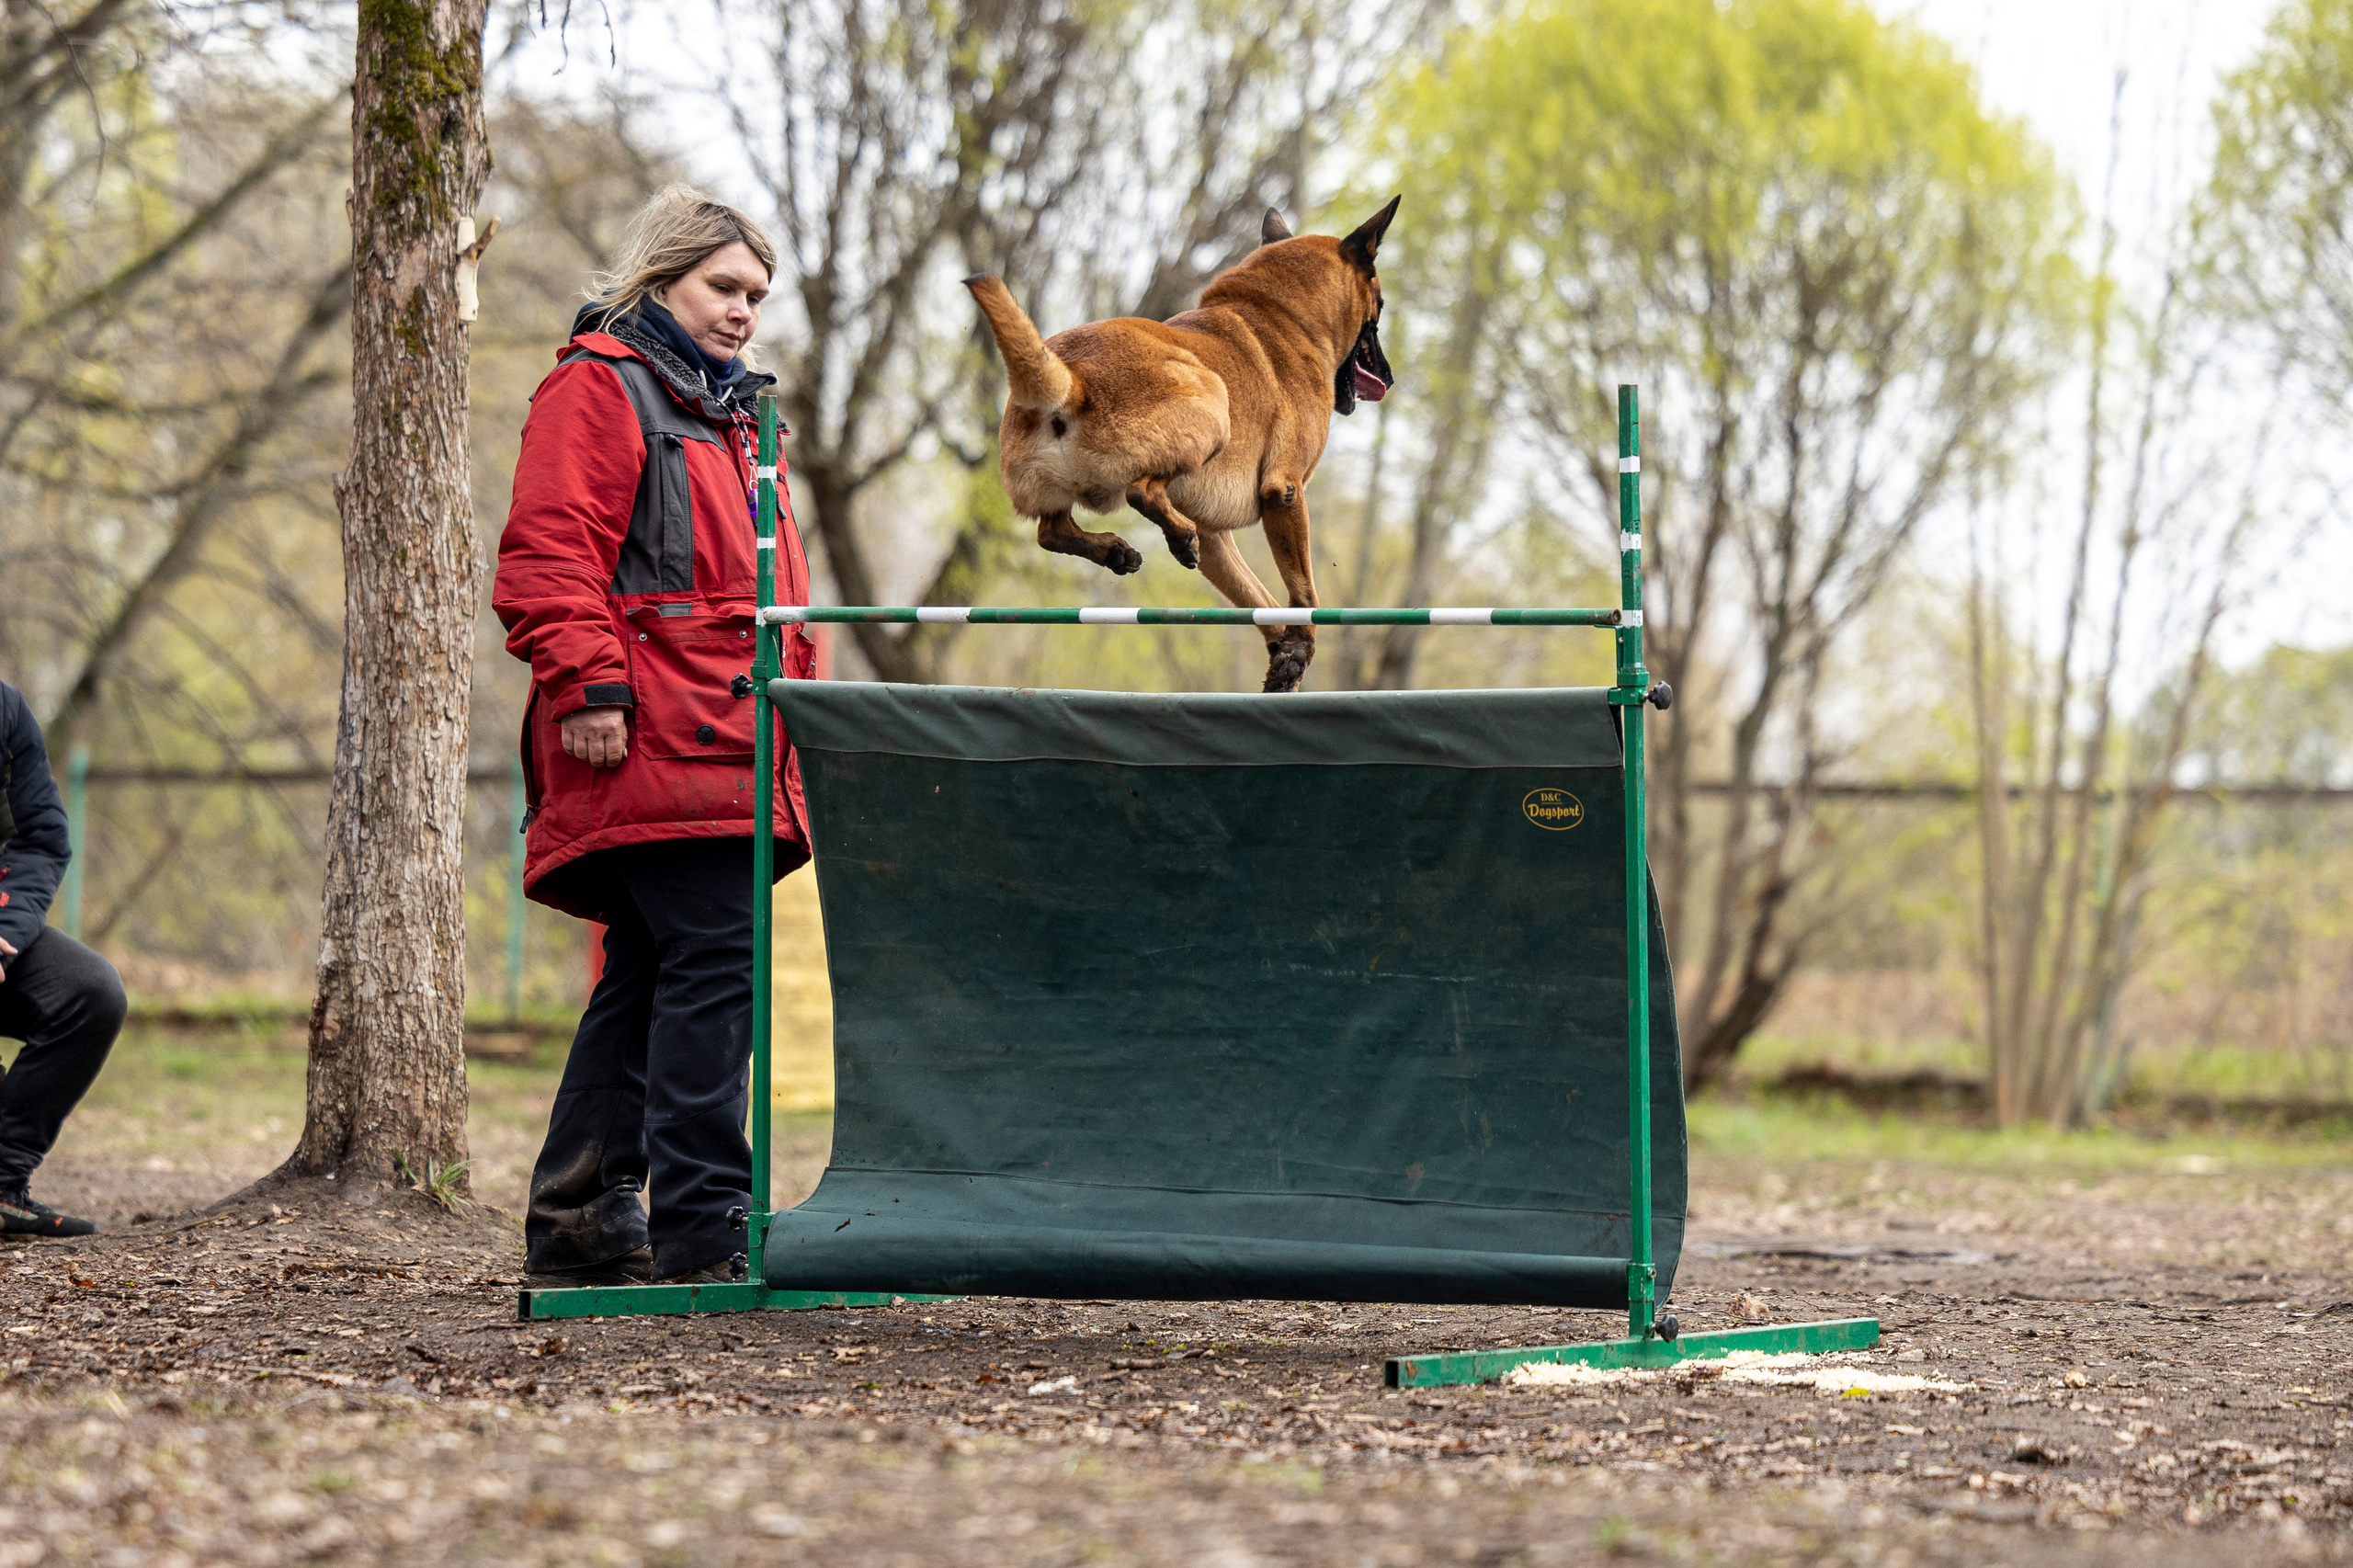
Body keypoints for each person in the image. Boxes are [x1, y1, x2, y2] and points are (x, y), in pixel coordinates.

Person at [494, 187, 819, 1286]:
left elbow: (767, 599)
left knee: (648, 973)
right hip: (651, 739)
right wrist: (586, 683)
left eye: (756, 296)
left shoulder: (733, 418)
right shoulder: (601, 387)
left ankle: (582, 1215)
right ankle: (705, 1222)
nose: (742, 312)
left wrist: (800, 721)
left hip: (728, 742)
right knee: (715, 970)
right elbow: (550, 548)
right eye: (722, 287)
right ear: (660, 279)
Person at [0, 682, 125, 1237]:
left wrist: (3, 935)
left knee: (90, 992)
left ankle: (1, 1182)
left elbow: (41, 839)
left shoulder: (5, 711)